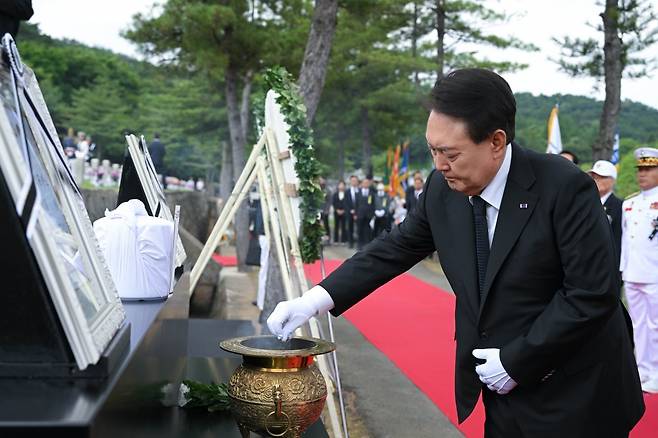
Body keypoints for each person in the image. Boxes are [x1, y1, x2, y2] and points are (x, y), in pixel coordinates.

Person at [268, 68, 643, 437]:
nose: (439, 165)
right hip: (500, 385)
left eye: (450, 153)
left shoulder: (563, 187)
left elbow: (591, 293)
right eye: (433, 151)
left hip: (575, 385)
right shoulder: (442, 188)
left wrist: (517, 362)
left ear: (496, 142)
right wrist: (314, 300)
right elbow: (395, 247)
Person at [620, 147, 658, 393]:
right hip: (633, 272)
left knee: (655, 325)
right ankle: (643, 371)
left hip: (655, 274)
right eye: (640, 170)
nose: (642, 174)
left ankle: (655, 372)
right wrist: (623, 269)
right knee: (637, 324)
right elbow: (626, 240)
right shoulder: (629, 203)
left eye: (648, 169)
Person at [587, 160, 622, 268]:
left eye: (601, 177)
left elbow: (619, 240)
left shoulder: (620, 206)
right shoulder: (584, 204)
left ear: (612, 180)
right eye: (594, 177)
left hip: (608, 264)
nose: (596, 180)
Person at [355, 177, 374, 250]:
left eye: (367, 183)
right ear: (362, 184)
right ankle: (359, 244)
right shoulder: (358, 193)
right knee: (359, 230)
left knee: (367, 230)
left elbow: (373, 204)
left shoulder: (371, 193)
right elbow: (356, 204)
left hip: (368, 215)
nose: (366, 184)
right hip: (360, 215)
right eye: (364, 183)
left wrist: (372, 214)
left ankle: (367, 245)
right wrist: (355, 214)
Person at [332, 180, 348, 244]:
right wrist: (337, 210)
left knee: (343, 226)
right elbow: (334, 203)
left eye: (342, 185)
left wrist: (344, 210)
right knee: (336, 226)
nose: (341, 186)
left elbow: (347, 203)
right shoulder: (335, 194)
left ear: (344, 186)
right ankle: (336, 240)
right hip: (336, 212)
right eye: (340, 185)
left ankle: (343, 240)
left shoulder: (346, 194)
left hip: (344, 212)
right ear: (338, 186)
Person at [346, 175, 359, 248]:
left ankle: (358, 243)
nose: (354, 182)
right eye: (352, 181)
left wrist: (356, 211)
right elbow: (346, 203)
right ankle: (350, 243)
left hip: (358, 213)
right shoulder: (347, 192)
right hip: (349, 212)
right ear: (350, 181)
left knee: (358, 228)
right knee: (350, 228)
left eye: (355, 181)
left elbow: (360, 203)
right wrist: (350, 210)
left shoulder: (359, 190)